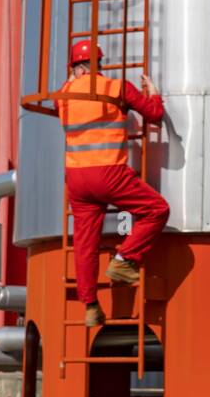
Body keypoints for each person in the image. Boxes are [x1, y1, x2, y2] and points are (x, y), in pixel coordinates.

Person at [59, 39, 170, 327]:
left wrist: (71, 80)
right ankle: (124, 259)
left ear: (74, 67)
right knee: (157, 210)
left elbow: (67, 91)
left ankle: (91, 306)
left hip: (76, 179)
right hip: (109, 172)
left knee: (84, 244)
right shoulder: (117, 87)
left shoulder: (63, 94)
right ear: (100, 64)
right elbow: (154, 115)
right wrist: (155, 94)